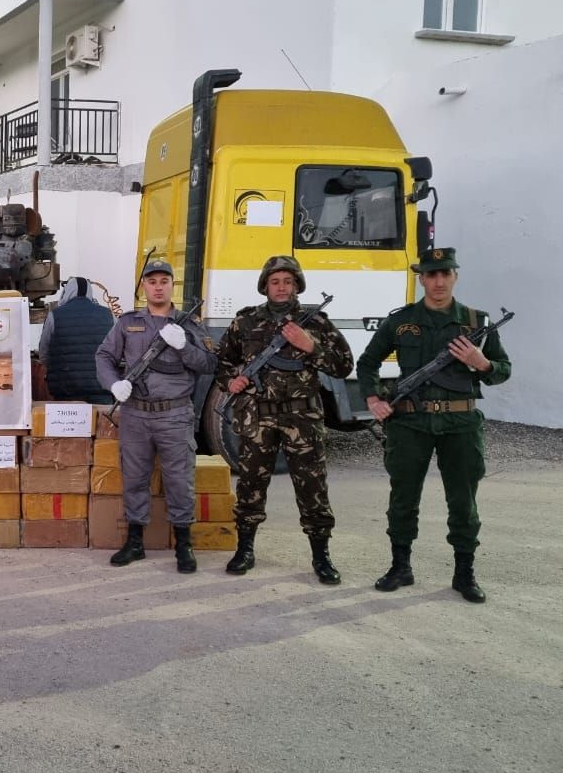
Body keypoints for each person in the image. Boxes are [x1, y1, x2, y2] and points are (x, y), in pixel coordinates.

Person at [356, 248, 511, 603]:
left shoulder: (476, 322)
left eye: (445, 273)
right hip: (410, 422)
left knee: (463, 501)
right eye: (431, 274)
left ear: (455, 276)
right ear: (421, 278)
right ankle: (400, 567)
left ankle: (464, 574)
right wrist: (373, 399)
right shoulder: (400, 321)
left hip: (461, 423)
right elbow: (367, 363)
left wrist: (482, 363)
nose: (439, 281)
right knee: (403, 497)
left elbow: (503, 370)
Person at [214, 255, 353, 582]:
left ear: (296, 286)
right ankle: (244, 549)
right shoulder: (245, 322)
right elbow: (222, 362)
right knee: (250, 486)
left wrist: (310, 346)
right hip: (257, 418)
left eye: (287, 281)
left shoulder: (315, 323)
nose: (281, 287)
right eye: (275, 281)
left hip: (302, 419)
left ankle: (321, 556)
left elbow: (344, 366)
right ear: (265, 286)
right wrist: (232, 381)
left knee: (313, 488)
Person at [96, 260, 216, 572]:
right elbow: (104, 356)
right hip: (135, 414)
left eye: (164, 281)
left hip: (174, 414)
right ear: (144, 287)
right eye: (152, 282)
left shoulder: (189, 324)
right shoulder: (128, 323)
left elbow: (209, 364)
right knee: (135, 479)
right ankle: (135, 543)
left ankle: (184, 545)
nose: (158, 287)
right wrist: (113, 384)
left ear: (172, 285)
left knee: (179, 480)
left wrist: (184, 346)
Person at [38, 276, 115, 404]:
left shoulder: (54, 315)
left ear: (67, 291)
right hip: (102, 391)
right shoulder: (108, 314)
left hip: (66, 391)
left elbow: (44, 354)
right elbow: (117, 351)